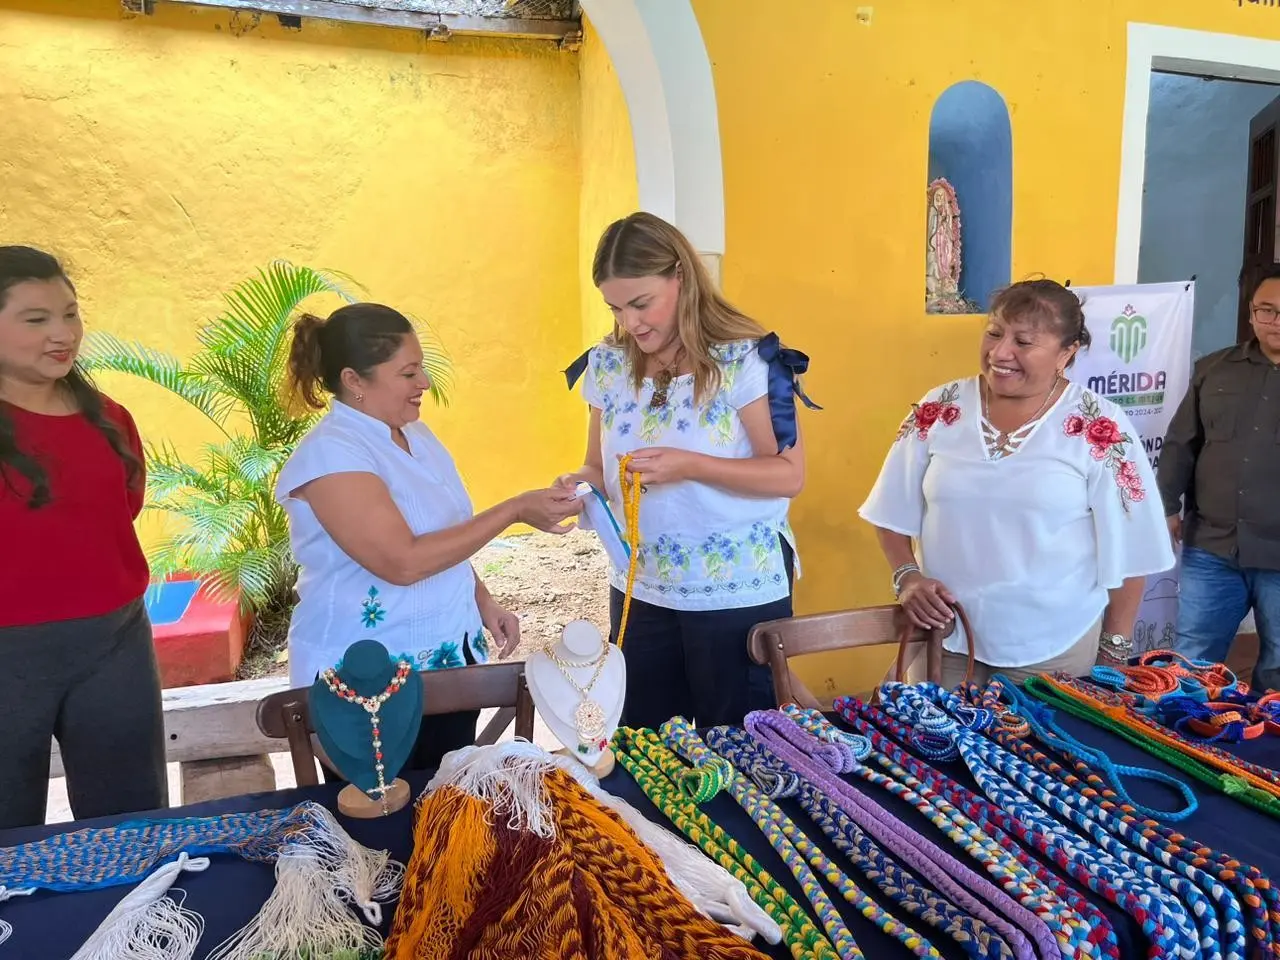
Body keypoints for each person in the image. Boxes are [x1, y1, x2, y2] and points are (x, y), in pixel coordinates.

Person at [278, 302, 582, 772]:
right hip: (366, 681)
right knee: (382, 824)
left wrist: (481, 599)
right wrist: (515, 510)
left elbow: (443, 533)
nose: (424, 384)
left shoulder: (413, 435)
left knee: (447, 809)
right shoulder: (330, 457)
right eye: (408, 372)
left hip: (446, 662)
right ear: (355, 381)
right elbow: (403, 562)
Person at [559, 212, 815, 729]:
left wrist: (691, 466)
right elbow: (595, 463)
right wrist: (577, 486)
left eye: (641, 303)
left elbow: (787, 474)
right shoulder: (608, 365)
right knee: (650, 748)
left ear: (681, 278)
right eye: (615, 307)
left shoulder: (744, 360)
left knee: (739, 748)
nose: (630, 323)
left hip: (734, 589)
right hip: (641, 584)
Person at [860, 278, 1174, 687]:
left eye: (1023, 342)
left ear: (1066, 353)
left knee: (1039, 751)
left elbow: (1134, 549)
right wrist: (908, 576)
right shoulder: (940, 408)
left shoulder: (1100, 426)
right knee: (931, 745)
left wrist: (1114, 649)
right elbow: (890, 507)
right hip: (947, 637)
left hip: (1054, 646)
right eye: (993, 333)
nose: (1000, 352)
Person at [0, 246, 167, 829]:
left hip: (114, 643)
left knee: (133, 821)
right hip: (7, 656)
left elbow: (122, 509)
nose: (62, 333)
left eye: (70, 314)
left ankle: (139, 922)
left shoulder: (110, 417)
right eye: (36, 318)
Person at [1158, 266, 1280, 692]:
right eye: (1267, 310)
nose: (1275, 321)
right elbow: (1180, 443)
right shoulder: (1215, 370)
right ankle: (1185, 745)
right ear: (1251, 314)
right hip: (1213, 547)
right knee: (1194, 659)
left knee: (1279, 668)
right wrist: (1168, 505)